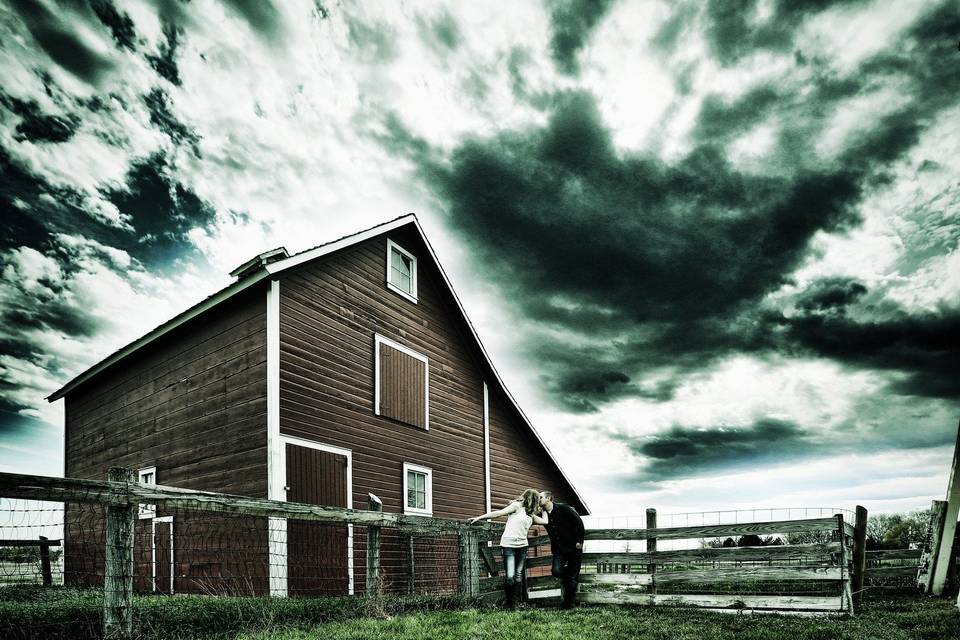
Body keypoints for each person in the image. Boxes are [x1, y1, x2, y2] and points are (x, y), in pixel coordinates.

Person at [467, 489, 547, 608]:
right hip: (508, 546)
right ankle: (509, 604)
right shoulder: (516, 506)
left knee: (518, 575)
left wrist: (545, 508)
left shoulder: (530, 514)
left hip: (522, 547)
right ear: (533, 499)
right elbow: (498, 513)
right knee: (510, 576)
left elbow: (545, 521)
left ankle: (515, 603)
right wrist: (479, 518)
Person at [539, 490, 584, 609]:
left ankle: (568, 604)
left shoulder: (564, 508)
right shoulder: (542, 514)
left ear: (549, 498)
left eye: (541, 497)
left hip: (574, 547)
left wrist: (580, 541)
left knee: (573, 578)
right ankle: (570, 578)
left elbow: (578, 522)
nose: (539, 500)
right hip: (559, 549)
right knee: (556, 571)